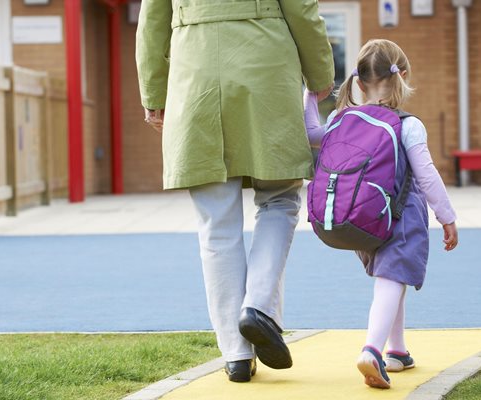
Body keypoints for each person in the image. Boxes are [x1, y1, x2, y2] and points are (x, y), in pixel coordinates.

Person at [136, 0, 334, 382]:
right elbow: (302, 9)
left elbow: (151, 22)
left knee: (216, 220)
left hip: (195, 72)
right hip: (265, 67)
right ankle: (258, 306)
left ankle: (237, 354)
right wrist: (320, 71)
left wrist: (153, 92)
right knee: (279, 198)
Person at [304, 39, 459, 389]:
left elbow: (311, 134)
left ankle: (397, 351)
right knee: (393, 279)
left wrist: (310, 98)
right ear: (402, 76)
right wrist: (446, 216)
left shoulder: (340, 117)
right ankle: (372, 349)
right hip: (402, 217)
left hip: (364, 217)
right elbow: (426, 174)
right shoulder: (407, 124)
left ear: (358, 82)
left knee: (392, 278)